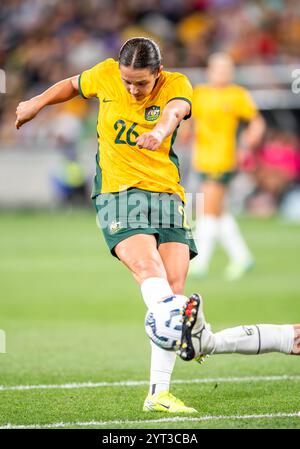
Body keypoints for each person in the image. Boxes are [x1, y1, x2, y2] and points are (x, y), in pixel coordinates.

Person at [15, 37, 200, 414]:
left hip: (168, 193)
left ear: (158, 74)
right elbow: (71, 85)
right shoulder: (104, 75)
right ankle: (199, 339)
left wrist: (160, 133)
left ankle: (158, 393)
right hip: (118, 193)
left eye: (141, 84)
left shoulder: (177, 83)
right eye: (127, 81)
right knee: (151, 272)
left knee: (175, 289)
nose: (133, 89)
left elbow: (175, 112)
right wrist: (35, 103)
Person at [189, 53, 266, 280]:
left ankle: (200, 262)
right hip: (202, 158)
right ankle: (242, 257)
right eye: (218, 69)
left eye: (226, 69)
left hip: (223, 160)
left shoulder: (236, 95)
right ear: (209, 71)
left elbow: (256, 120)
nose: (222, 73)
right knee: (218, 212)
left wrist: (250, 140)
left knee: (207, 211)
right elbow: (189, 120)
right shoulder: (200, 93)